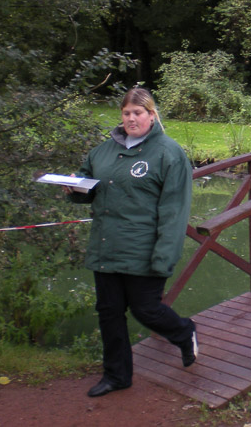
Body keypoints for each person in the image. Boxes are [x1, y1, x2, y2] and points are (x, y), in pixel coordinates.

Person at [65, 87, 197, 398]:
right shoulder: (102, 152)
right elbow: (91, 187)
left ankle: (184, 332)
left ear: (152, 116)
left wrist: (165, 255)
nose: (131, 118)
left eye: (138, 113)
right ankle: (117, 375)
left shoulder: (168, 153)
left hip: (144, 248)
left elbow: (174, 210)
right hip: (106, 247)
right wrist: (75, 189)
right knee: (109, 312)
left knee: (146, 310)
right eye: (126, 113)